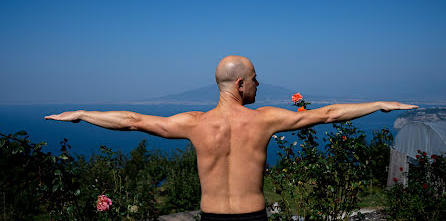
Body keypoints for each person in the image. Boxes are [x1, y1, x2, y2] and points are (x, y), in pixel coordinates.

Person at [45, 55, 418, 221]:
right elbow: (328, 114)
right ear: (241, 84)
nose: (259, 84)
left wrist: (82, 114)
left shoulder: (194, 122)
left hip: (210, 218)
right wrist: (379, 104)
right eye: (255, 78)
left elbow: (131, 121)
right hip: (252, 218)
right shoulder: (263, 120)